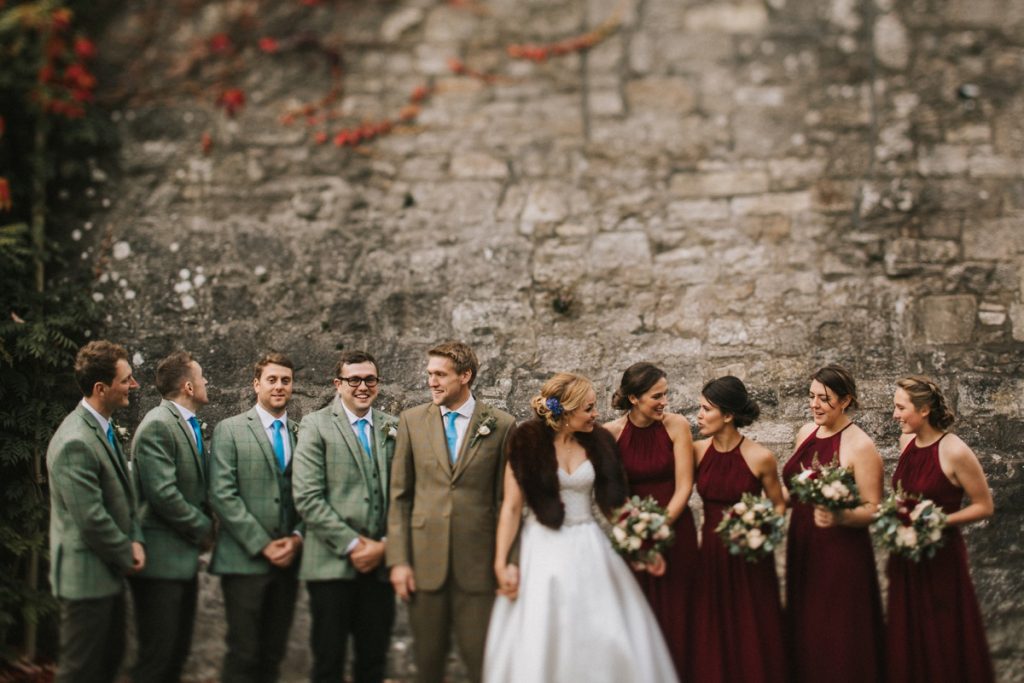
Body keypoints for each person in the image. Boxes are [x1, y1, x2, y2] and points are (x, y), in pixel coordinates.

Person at [484, 372, 677, 682]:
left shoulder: (599, 441)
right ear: (565, 411)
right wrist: (501, 562)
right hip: (543, 545)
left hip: (588, 543)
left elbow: (614, 505)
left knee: (604, 628)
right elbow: (511, 506)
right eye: (588, 408)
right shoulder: (527, 442)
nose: (595, 414)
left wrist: (643, 547)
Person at [386, 341, 516, 683]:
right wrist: (399, 561)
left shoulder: (501, 425)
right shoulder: (411, 422)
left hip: (479, 566)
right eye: (429, 374)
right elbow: (400, 496)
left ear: (465, 376)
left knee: (484, 665)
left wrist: (507, 562)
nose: (431, 382)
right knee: (428, 666)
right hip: (424, 565)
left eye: (440, 374)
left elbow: (508, 503)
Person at [293, 350, 399, 683]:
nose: (363, 386)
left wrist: (384, 546)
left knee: (374, 662)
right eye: (354, 379)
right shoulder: (315, 425)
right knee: (329, 663)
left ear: (378, 385)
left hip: (380, 565)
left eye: (370, 379)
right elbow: (307, 498)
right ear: (338, 384)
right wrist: (354, 545)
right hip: (331, 564)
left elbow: (403, 495)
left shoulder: (392, 427)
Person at [47, 340, 145, 683]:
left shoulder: (100, 427)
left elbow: (120, 498)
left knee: (108, 664)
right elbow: (90, 517)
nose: (134, 385)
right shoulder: (75, 440)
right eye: (127, 379)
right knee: (81, 671)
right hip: (86, 579)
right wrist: (128, 551)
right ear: (101, 388)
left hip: (106, 573)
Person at [888, 375, 995, 683]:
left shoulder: (955, 450)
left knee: (943, 636)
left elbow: (984, 506)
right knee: (909, 635)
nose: (895, 415)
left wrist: (939, 521)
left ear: (924, 410)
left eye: (900, 407)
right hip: (906, 555)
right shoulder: (906, 442)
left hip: (941, 559)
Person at [781, 365, 884, 682]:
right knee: (807, 626)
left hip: (840, 552)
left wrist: (840, 516)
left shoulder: (860, 446)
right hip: (803, 543)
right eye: (811, 396)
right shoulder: (805, 433)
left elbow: (873, 507)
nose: (814, 404)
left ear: (845, 400)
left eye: (824, 399)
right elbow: (794, 489)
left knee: (838, 632)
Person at [208, 353, 303, 683]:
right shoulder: (230, 430)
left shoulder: (301, 432)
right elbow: (222, 493)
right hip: (245, 560)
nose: (279, 386)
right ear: (256, 384)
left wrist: (297, 538)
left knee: (273, 655)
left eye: (286, 381)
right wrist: (263, 545)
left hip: (288, 562)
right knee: (243, 653)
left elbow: (310, 494)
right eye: (272, 380)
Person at [690, 376, 787, 683]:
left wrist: (758, 527)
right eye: (700, 408)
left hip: (750, 556)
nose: (699, 416)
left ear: (728, 415)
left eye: (707, 409)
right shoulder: (695, 452)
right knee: (712, 627)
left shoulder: (761, 457)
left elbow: (779, 506)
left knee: (752, 626)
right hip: (711, 554)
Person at [603, 362, 696, 678]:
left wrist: (660, 525)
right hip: (633, 533)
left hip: (676, 528)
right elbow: (612, 494)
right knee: (640, 613)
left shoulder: (677, 426)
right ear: (633, 398)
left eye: (666, 394)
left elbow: (685, 485)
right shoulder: (610, 434)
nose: (665, 402)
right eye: (657, 396)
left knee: (680, 610)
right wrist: (637, 530)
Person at [129, 350, 215, 683]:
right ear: (188, 387)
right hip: (160, 563)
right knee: (157, 660)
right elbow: (162, 494)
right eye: (202, 376)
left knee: (176, 656)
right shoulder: (158, 425)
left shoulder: (186, 425)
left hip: (181, 560)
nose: (207, 381)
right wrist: (205, 528)